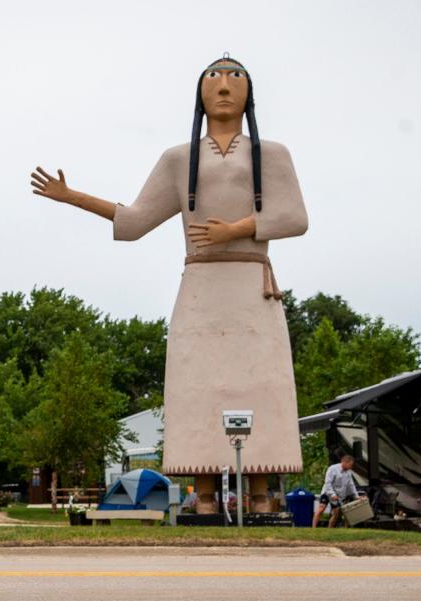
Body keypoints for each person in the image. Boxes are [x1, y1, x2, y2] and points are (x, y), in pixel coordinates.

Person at [30, 55, 307, 513]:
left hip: (252, 289)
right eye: (213, 76)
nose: (223, 85)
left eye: (235, 76)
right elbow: (137, 220)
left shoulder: (271, 155)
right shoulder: (179, 159)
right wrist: (71, 196)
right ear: (199, 93)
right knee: (197, 388)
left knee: (260, 388)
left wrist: (234, 229)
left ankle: (261, 494)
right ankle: (203, 495)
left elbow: (295, 217)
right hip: (200, 291)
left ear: (249, 93)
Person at [312, 455, 359, 528]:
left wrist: (356, 496)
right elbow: (328, 482)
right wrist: (332, 494)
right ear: (344, 462)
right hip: (327, 492)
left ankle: (330, 529)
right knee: (321, 508)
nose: (351, 467)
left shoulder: (349, 472)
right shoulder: (332, 469)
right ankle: (313, 528)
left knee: (336, 513)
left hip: (338, 496)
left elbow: (351, 485)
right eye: (350, 465)